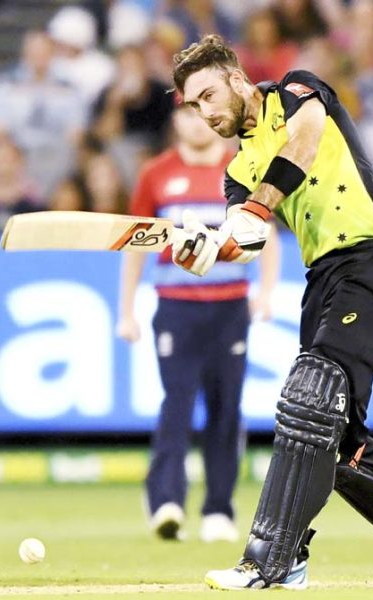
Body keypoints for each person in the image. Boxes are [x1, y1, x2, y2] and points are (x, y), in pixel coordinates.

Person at [168, 34, 373, 590]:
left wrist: (257, 208)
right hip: (324, 282)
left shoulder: (297, 91)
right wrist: (209, 249)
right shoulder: (237, 172)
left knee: (310, 403)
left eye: (208, 96)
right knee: (338, 436)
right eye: (193, 105)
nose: (204, 113)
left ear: (237, 79)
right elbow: (246, 239)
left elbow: (302, 146)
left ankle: (273, 560)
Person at [116, 96, 279, 544]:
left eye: (202, 112)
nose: (197, 122)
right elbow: (136, 243)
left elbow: (267, 233)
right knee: (177, 406)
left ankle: (219, 510)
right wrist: (126, 310)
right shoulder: (156, 174)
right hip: (177, 308)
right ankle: (166, 502)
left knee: (227, 410)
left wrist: (266, 291)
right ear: (174, 120)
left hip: (230, 307)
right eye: (187, 112)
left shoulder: (242, 169)